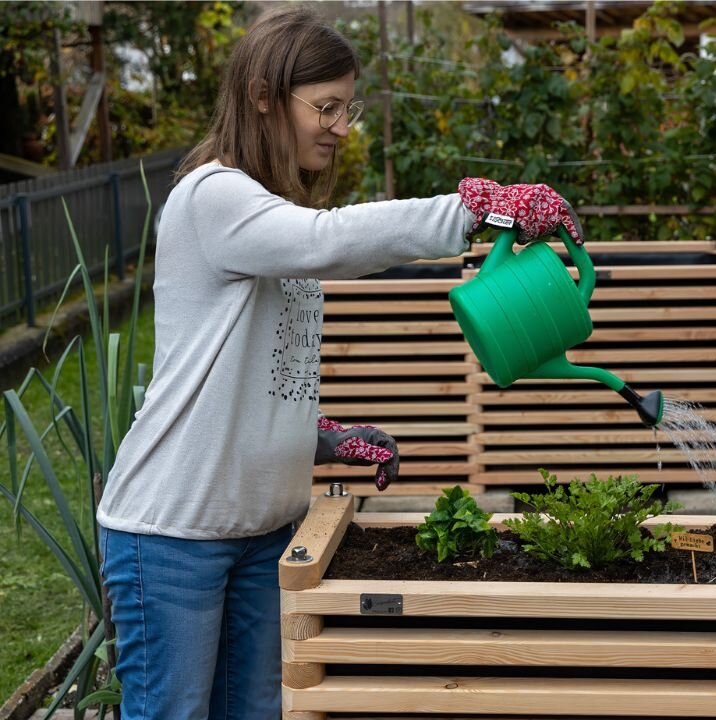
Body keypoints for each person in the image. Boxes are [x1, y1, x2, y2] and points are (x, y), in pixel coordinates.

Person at [95, 6, 583, 719]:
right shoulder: (214, 194)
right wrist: (476, 208)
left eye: (346, 108)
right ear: (263, 96)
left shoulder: (264, 211)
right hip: (173, 533)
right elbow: (331, 239)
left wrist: (318, 437)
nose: (340, 127)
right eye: (324, 107)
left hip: (262, 531)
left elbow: (260, 365)